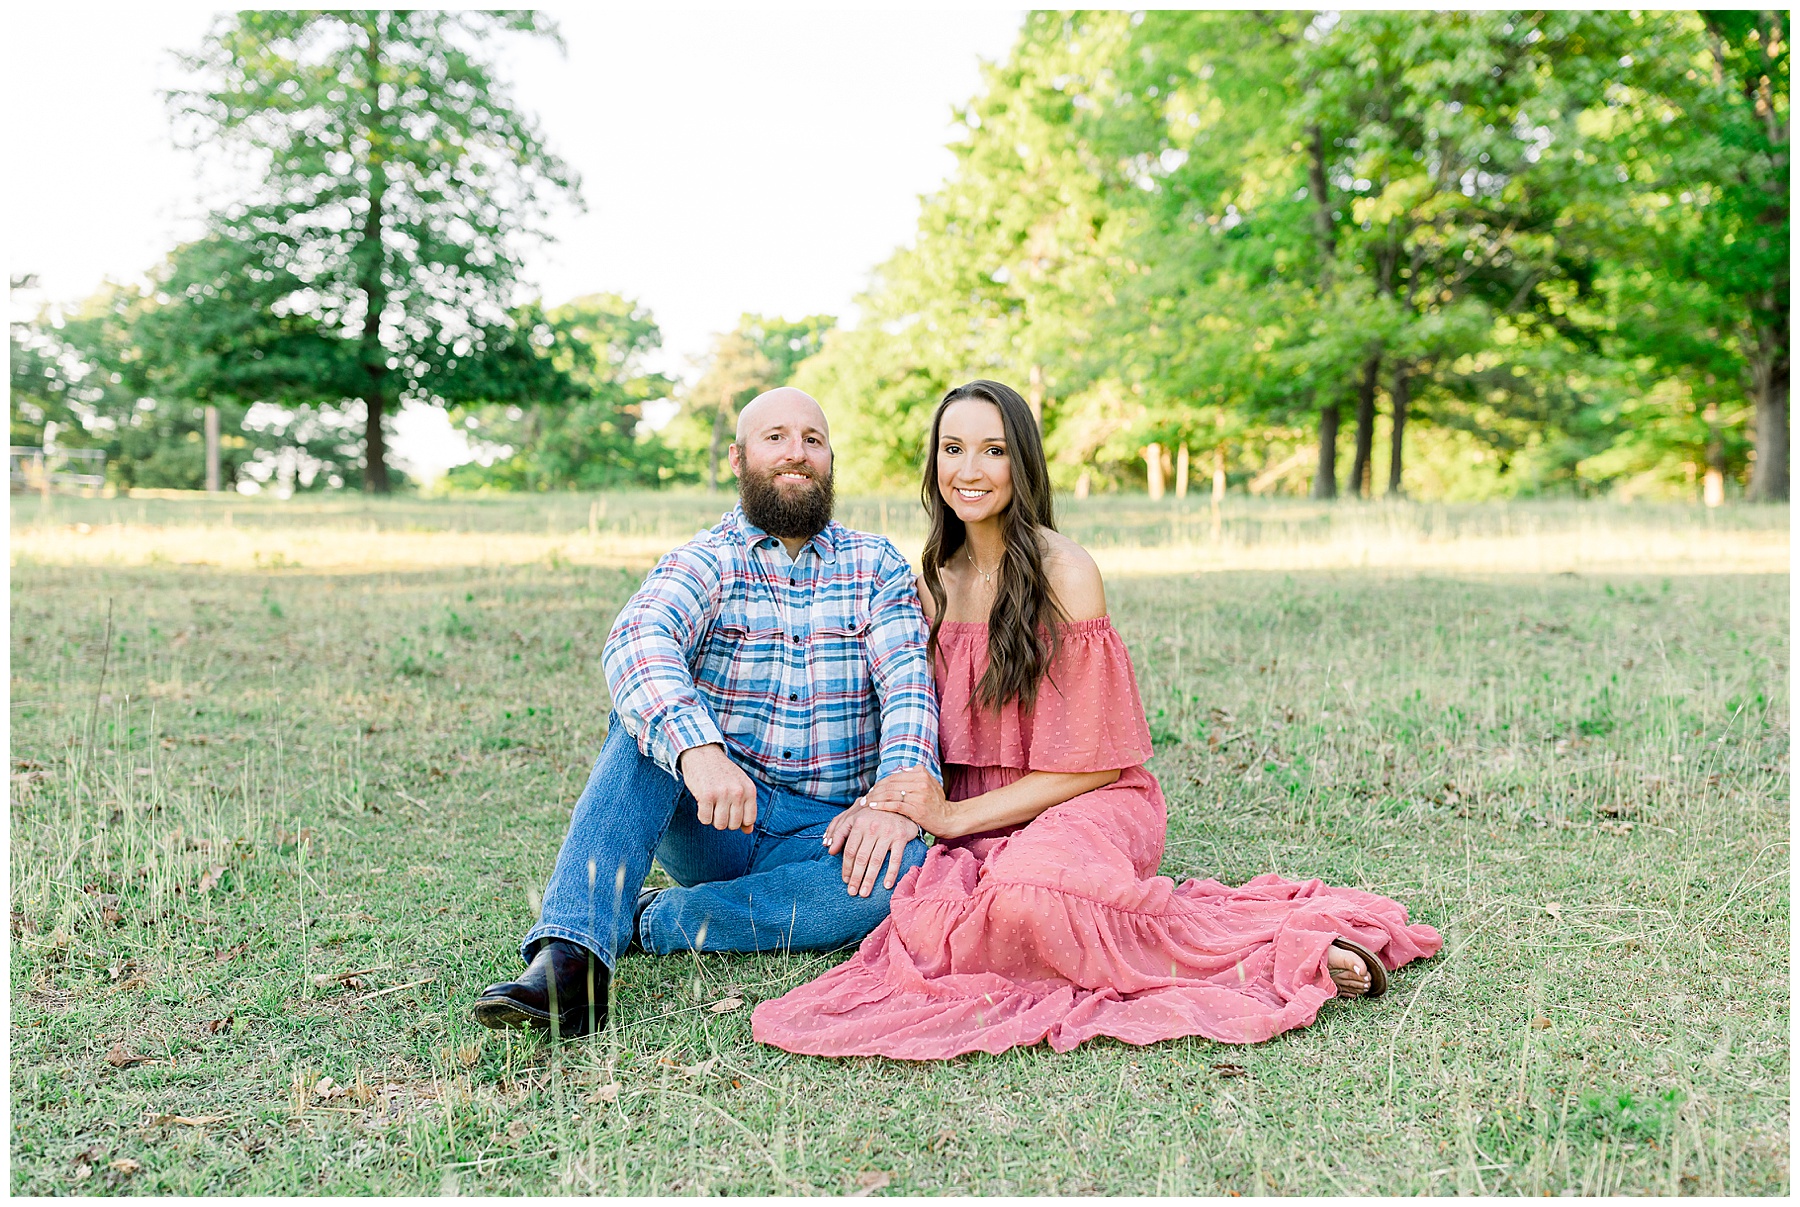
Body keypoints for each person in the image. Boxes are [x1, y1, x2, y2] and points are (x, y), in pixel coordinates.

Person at [753, 380, 1443, 1058]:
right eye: (952, 449)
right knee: (940, 914)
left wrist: (958, 819)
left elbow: (1098, 762)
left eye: (992, 451)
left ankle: (1282, 950)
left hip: (1086, 796)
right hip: (976, 812)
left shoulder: (1066, 572)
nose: (969, 470)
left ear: (1022, 463)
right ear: (933, 464)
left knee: (1033, 898)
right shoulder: (929, 580)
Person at [474, 387, 939, 1039]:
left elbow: (909, 687)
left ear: (830, 458)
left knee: (908, 872)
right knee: (643, 725)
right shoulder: (706, 557)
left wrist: (893, 800)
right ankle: (571, 958)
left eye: (813, 438)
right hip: (715, 813)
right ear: (738, 457)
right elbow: (638, 637)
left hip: (826, 830)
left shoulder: (876, 566)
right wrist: (699, 750)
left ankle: (650, 920)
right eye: (775, 436)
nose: (796, 452)